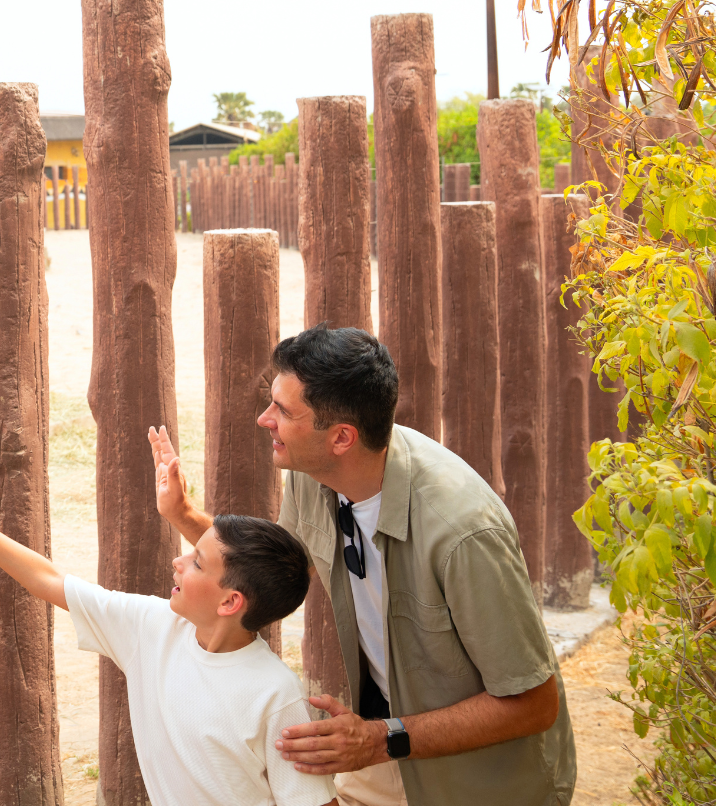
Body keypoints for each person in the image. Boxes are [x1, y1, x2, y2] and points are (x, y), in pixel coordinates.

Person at [152, 324, 577, 805]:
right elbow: (268, 575)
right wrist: (184, 515)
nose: (263, 419)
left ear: (341, 438)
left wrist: (379, 739)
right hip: (384, 749)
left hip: (484, 781)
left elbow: (534, 704)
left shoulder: (464, 534)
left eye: (283, 410)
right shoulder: (316, 475)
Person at [0, 464, 338, 806]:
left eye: (197, 563)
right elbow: (47, 580)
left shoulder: (276, 694)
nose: (178, 560)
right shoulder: (150, 627)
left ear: (230, 602)